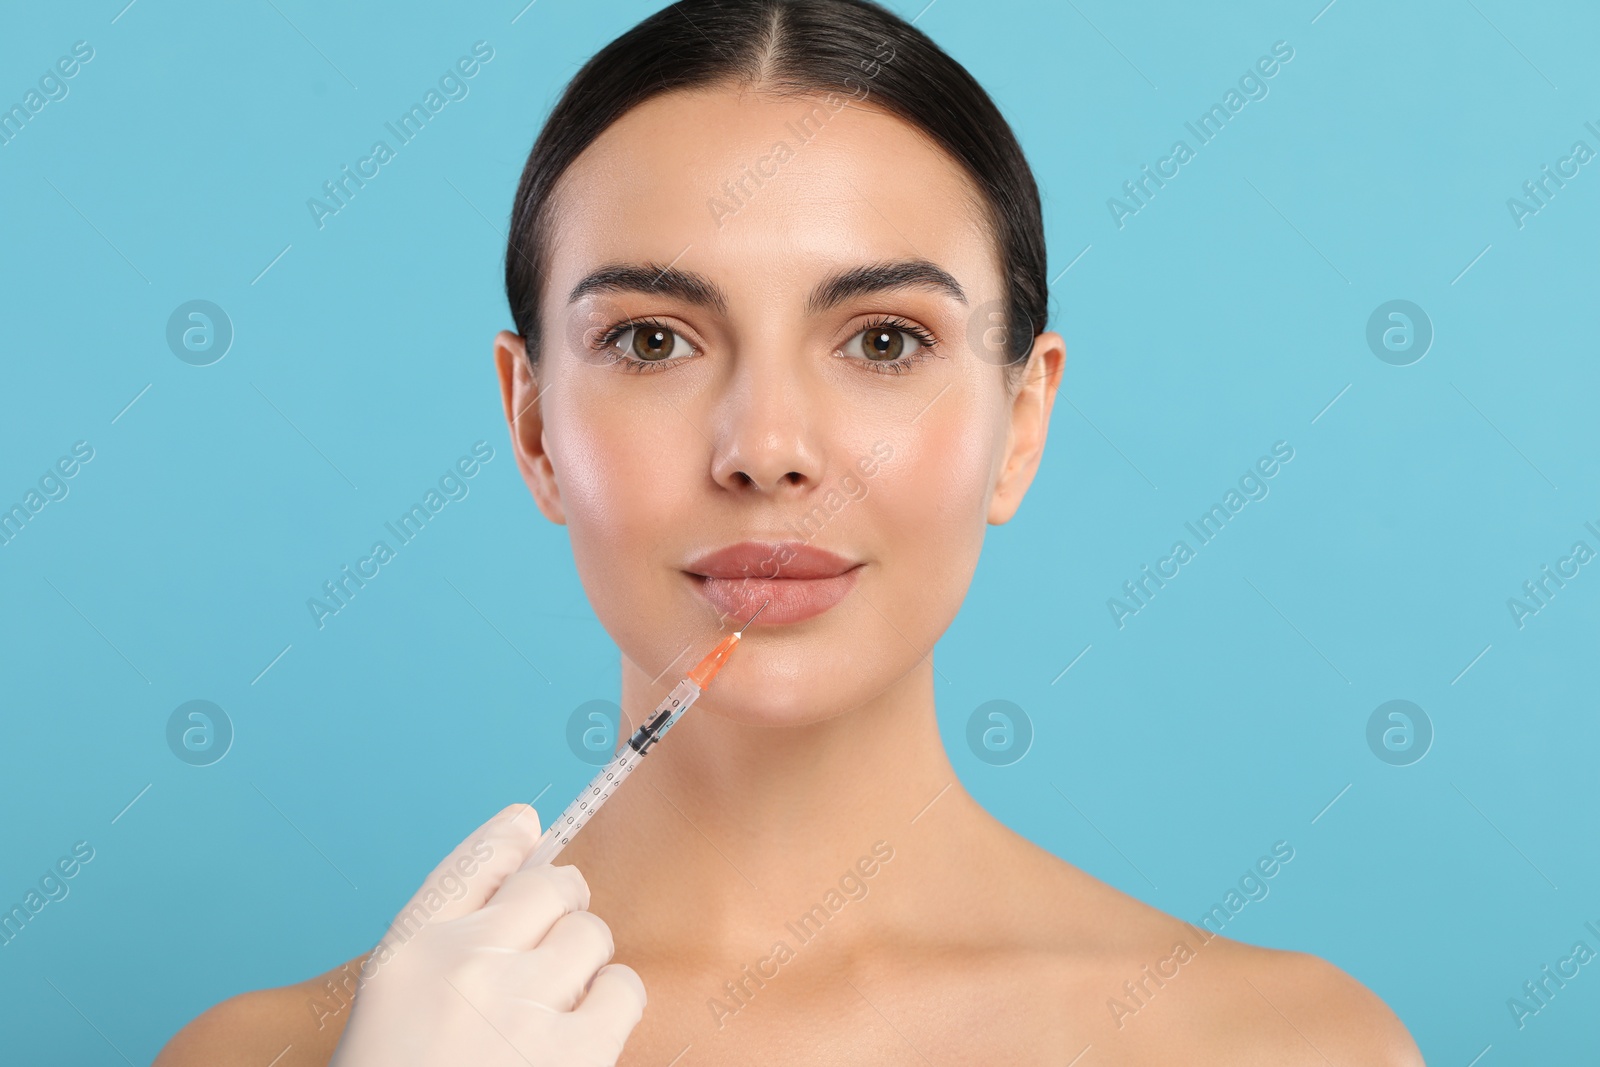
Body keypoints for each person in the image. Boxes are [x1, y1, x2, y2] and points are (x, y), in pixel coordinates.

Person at [156, 1, 1425, 1063]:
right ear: (533, 424)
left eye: (884, 341)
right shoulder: (268, 1054)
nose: (767, 446)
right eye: (651, 340)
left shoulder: (1289, 1042)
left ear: (1021, 422)